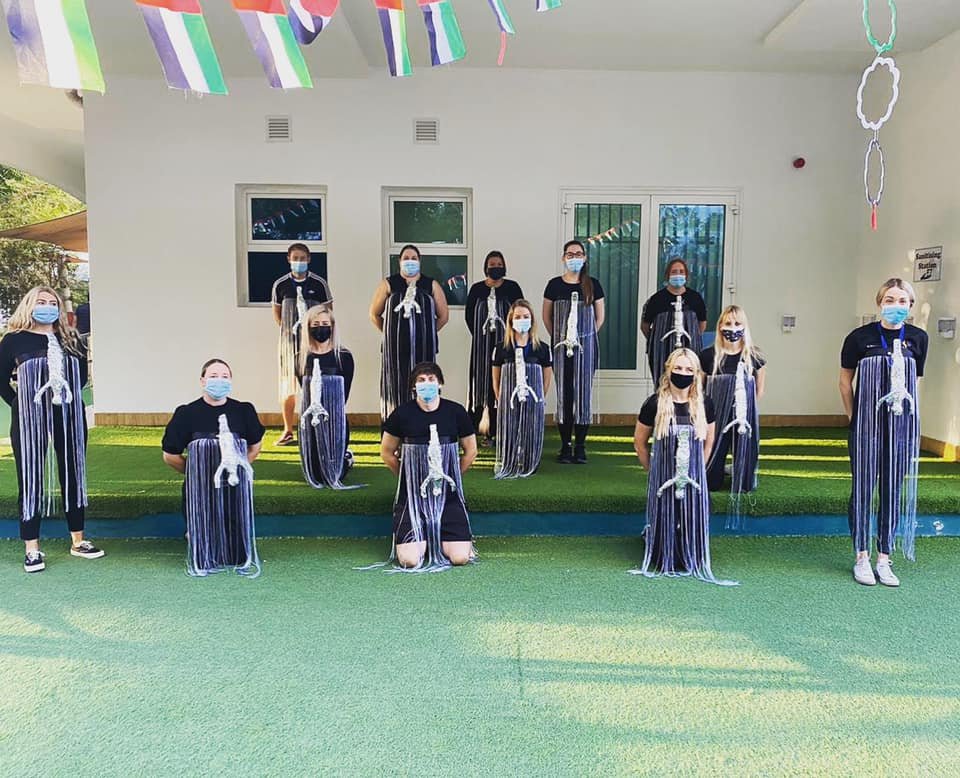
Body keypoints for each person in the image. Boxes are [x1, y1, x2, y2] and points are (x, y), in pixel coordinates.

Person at [0, 286, 103, 572]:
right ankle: (32, 548)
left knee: (73, 472)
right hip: (29, 418)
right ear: (29, 306)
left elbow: (81, 378)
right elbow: (0, 379)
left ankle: (78, 540)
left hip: (68, 414)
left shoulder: (71, 338)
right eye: (41, 302)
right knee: (30, 476)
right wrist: (19, 404)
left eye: (52, 302)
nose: (47, 307)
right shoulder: (14, 340)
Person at [839, 278, 927, 587]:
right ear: (880, 302)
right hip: (865, 427)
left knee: (892, 490)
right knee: (863, 489)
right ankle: (861, 556)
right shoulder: (859, 338)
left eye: (902, 301)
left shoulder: (918, 338)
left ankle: (884, 557)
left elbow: (915, 383)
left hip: (900, 427)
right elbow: (844, 382)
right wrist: (854, 417)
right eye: (890, 300)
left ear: (910, 305)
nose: (896, 306)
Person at [632, 348, 735, 585]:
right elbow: (639, 443)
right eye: (678, 368)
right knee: (665, 536)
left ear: (696, 373)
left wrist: (699, 469)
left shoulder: (705, 404)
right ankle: (661, 547)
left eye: (689, 369)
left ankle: (689, 551)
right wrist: (653, 471)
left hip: (693, 476)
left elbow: (709, 442)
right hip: (664, 477)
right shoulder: (654, 403)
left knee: (690, 523)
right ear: (668, 370)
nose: (683, 373)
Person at [162, 359, 264, 577]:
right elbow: (170, 455)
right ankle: (194, 534)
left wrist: (237, 470)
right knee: (204, 552)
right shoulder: (186, 414)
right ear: (202, 381)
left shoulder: (243, 411)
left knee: (236, 554)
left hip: (234, 486)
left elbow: (255, 447)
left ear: (231, 380)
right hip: (199, 488)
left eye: (225, 376)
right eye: (213, 376)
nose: (220, 381)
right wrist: (196, 472)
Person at [377, 362, 476, 571]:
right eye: (421, 380)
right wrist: (406, 477)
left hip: (448, 497)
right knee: (410, 561)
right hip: (412, 499)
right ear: (414, 387)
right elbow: (386, 452)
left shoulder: (455, 412)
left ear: (440, 384)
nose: (427, 384)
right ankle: (422, 537)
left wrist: (453, 475)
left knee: (460, 558)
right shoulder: (402, 414)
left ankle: (440, 535)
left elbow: (471, 451)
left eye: (431, 379)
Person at [701, 305, 766, 523]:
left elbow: (759, 390)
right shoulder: (708, 356)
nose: (733, 328)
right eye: (728, 323)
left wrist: (747, 411)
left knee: (745, 484)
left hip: (744, 417)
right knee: (711, 482)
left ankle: (739, 468)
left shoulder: (754, 356)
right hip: (716, 418)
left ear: (745, 326)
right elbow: (700, 389)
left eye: (738, 324)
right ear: (720, 326)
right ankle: (720, 467)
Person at [369, 245, 449, 422]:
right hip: (395, 350)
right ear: (399, 261)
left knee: (424, 382)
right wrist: (391, 332)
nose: (410, 261)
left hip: (424, 349)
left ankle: (424, 424)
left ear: (420, 261)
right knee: (395, 386)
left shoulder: (431, 285)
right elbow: (374, 314)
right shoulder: (389, 284)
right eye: (406, 258)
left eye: (414, 258)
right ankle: (394, 426)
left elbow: (443, 316)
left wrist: (426, 332)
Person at [542, 240, 605, 464]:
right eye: (570, 254)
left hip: (586, 349)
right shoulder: (554, 285)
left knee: (583, 395)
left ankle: (580, 446)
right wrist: (559, 337)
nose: (574, 258)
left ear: (584, 257)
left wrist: (585, 337)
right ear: (563, 258)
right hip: (561, 349)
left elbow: (599, 318)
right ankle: (565, 446)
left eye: (578, 254)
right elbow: (546, 316)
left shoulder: (593, 285)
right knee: (565, 395)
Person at [271, 243, 333, 446]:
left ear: (309, 259)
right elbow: (278, 315)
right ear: (288, 259)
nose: (299, 261)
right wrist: (291, 332)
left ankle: (317, 427)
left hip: (314, 343)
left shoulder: (319, 283)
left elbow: (328, 312)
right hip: (289, 343)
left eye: (302, 258)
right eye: (295, 258)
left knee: (315, 382)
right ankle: (288, 430)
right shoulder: (280, 285)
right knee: (287, 386)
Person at [297, 304, 361, 489]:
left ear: (332, 326)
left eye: (325, 324)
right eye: (316, 324)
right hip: (311, 419)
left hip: (335, 417)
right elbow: (304, 390)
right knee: (315, 474)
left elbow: (344, 394)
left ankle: (346, 458)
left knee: (333, 474)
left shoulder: (344, 356)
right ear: (308, 327)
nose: (321, 328)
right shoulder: (300, 357)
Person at [465, 251, 524, 445]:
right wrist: (481, 336)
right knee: (480, 384)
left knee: (502, 384)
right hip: (481, 347)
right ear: (486, 267)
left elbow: (520, 312)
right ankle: (477, 429)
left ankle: (502, 430)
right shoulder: (477, 289)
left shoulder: (512, 288)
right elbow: (469, 316)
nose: (496, 267)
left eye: (499, 264)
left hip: (505, 346)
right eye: (492, 264)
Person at [491, 300, 552, 478]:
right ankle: (509, 460)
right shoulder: (501, 348)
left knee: (530, 428)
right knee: (510, 428)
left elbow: (547, 376)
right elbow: (496, 376)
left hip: (533, 397)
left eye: (526, 316)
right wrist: (500, 397)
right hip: (508, 398)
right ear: (511, 321)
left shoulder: (542, 349)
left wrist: (540, 397)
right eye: (517, 317)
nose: (522, 320)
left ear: (532, 320)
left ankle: (529, 461)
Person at [641, 258, 707, 387]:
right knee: (663, 383)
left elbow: (702, 324)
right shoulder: (656, 300)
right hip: (662, 351)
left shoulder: (695, 298)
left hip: (690, 347)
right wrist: (657, 340)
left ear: (686, 275)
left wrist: (692, 337)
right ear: (667, 275)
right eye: (674, 272)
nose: (678, 274)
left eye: (681, 272)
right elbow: (645, 326)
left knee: (690, 383)